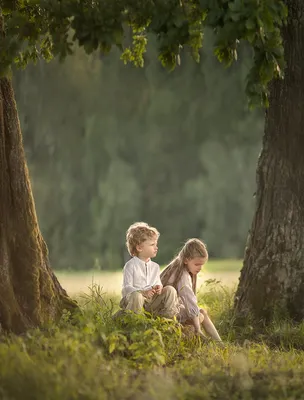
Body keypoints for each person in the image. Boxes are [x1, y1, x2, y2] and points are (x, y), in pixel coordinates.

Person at [160, 238, 222, 342]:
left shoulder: (176, 266)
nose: (200, 268)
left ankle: (219, 344)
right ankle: (219, 344)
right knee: (201, 314)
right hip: (166, 311)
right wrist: (198, 328)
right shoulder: (183, 275)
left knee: (201, 312)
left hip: (169, 307)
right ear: (186, 260)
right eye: (197, 264)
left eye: (202, 264)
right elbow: (189, 300)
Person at [119, 222, 179, 318]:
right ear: (139, 248)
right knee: (137, 296)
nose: (156, 247)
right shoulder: (130, 266)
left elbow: (157, 282)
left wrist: (158, 287)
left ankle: (167, 318)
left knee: (170, 290)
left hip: (150, 302)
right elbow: (126, 288)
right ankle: (136, 321)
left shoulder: (155, 266)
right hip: (134, 301)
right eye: (152, 245)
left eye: (156, 244)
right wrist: (142, 292)